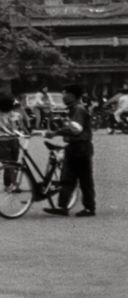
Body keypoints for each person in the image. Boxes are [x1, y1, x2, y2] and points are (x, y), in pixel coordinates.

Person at [45, 84, 97, 217]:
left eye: (64, 94)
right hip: (74, 147)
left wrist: (56, 132)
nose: (62, 97)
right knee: (67, 178)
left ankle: (89, 208)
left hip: (81, 147)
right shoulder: (73, 109)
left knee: (84, 179)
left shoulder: (78, 109)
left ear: (72, 96)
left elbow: (76, 129)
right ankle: (62, 207)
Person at [0, 92, 27, 189]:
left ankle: (7, 184)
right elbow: (21, 127)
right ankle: (13, 183)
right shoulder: (16, 115)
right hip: (14, 140)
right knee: (14, 162)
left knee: (7, 164)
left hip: (1, 141)